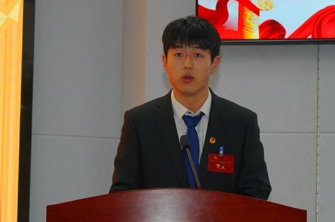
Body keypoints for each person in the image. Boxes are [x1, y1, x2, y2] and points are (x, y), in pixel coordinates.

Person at [110, 15, 271, 199]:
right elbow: (122, 194)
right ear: (165, 62)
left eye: (198, 55)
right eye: (179, 55)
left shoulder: (241, 123)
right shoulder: (140, 122)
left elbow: (256, 191)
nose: (187, 65)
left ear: (214, 64)